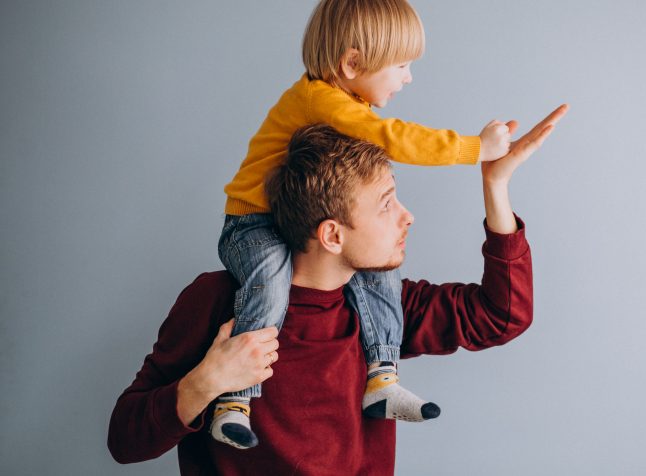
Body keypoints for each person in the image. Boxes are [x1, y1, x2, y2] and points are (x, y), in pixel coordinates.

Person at [108, 106, 567, 475]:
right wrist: (206, 383)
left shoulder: (381, 307)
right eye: (387, 205)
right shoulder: (215, 301)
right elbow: (124, 441)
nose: (407, 216)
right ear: (332, 235)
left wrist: (496, 185)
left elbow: (503, 315)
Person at [215, 0, 514, 449]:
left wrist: (498, 186)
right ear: (352, 63)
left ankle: (382, 377)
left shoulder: (344, 102)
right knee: (271, 286)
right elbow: (394, 137)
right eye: (401, 65)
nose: (408, 77)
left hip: (299, 221)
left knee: (380, 270)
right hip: (252, 222)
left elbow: (498, 315)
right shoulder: (323, 100)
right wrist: (475, 149)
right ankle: (236, 398)